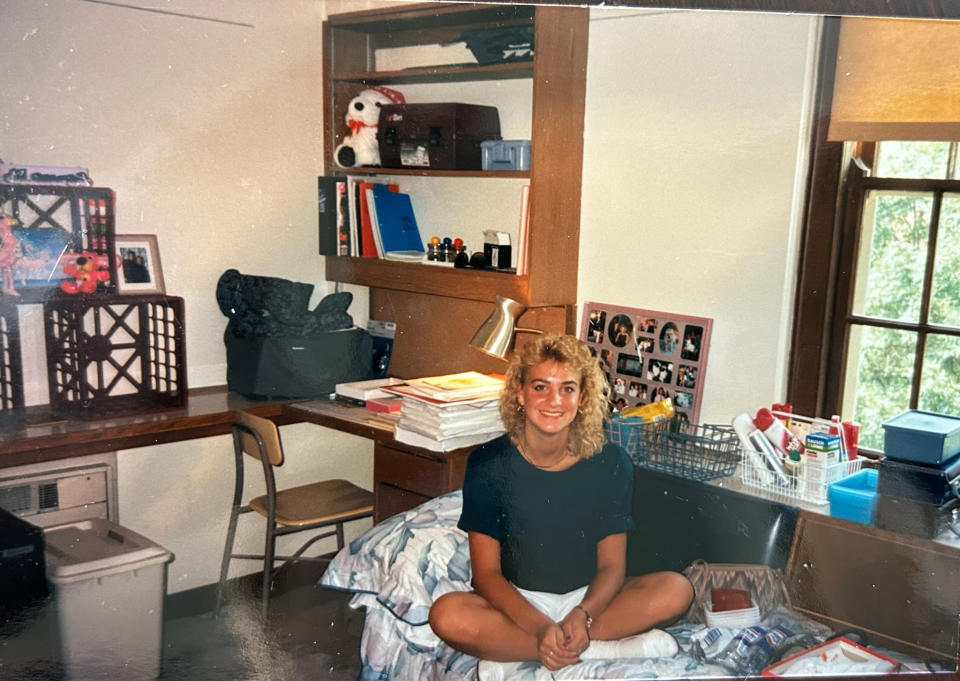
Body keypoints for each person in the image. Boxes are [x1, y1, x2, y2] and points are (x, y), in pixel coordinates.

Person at [429, 334, 693, 673]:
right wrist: (540, 627)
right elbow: (487, 575)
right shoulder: (487, 463)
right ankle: (582, 649)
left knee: (676, 589)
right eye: (541, 387)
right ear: (520, 393)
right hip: (520, 603)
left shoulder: (610, 462)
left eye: (567, 388)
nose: (554, 401)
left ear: (582, 398)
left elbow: (613, 566)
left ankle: (532, 651)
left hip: (590, 603)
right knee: (446, 615)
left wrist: (582, 615)